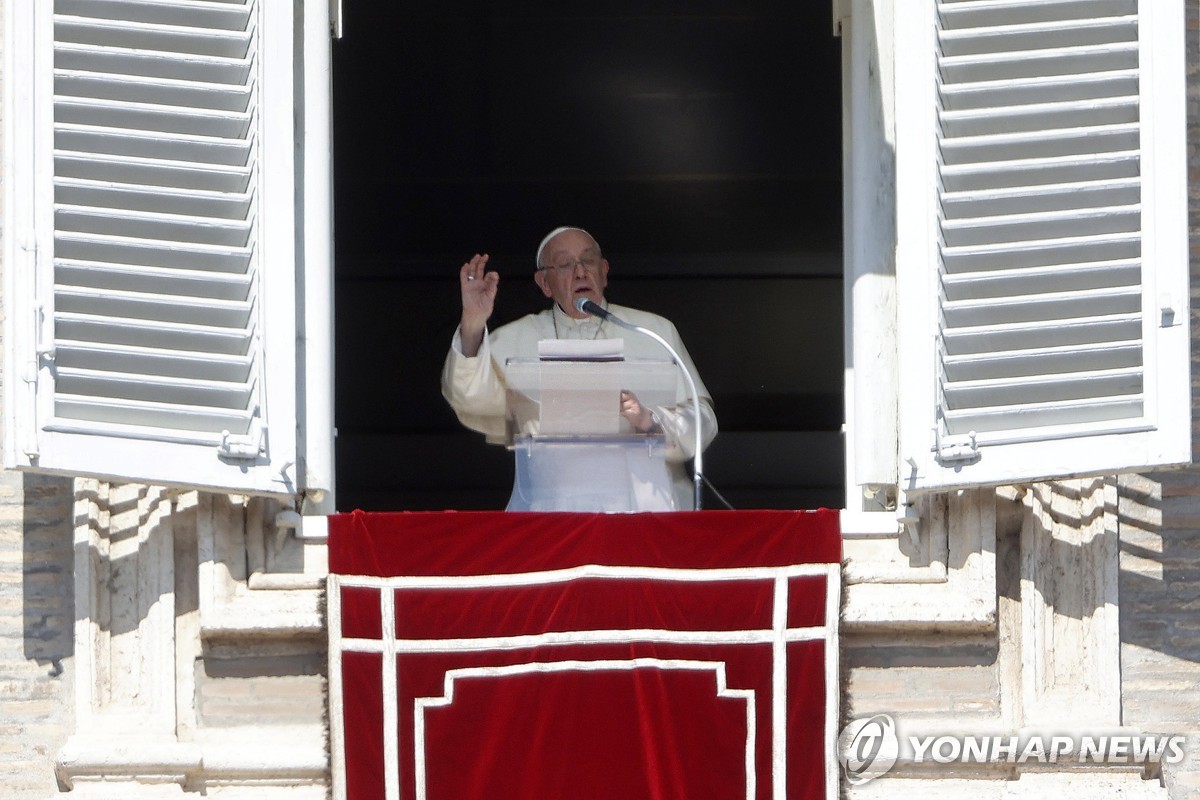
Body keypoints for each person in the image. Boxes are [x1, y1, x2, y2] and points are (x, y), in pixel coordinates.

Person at [441, 226, 718, 510]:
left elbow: (702, 419)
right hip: (554, 514)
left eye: (588, 261)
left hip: (645, 513)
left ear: (604, 271)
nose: (580, 272)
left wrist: (650, 420)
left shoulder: (653, 330)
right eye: (564, 264)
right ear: (544, 283)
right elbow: (469, 400)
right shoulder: (518, 337)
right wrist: (473, 323)